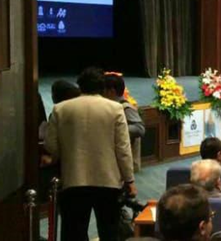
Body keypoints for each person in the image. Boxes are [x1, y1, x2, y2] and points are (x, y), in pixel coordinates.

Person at [44, 67, 135, 241]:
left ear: (80, 86)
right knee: (109, 232)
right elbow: (123, 149)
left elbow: (51, 144)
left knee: (74, 233)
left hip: (73, 179)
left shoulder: (60, 109)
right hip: (108, 181)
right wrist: (129, 180)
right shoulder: (115, 109)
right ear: (102, 87)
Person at [103, 74, 145, 142]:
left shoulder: (126, 107)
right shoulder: (113, 106)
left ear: (111, 91)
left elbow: (140, 128)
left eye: (103, 91)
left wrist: (118, 128)